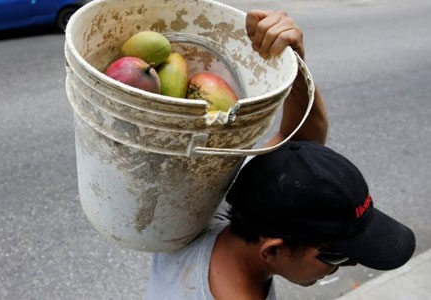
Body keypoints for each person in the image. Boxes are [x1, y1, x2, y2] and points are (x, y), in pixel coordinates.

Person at [143, 9, 416, 300]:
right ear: (272, 250)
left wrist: (293, 63)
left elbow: (296, 140)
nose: (351, 263)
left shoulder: (201, 213)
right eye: (335, 255)